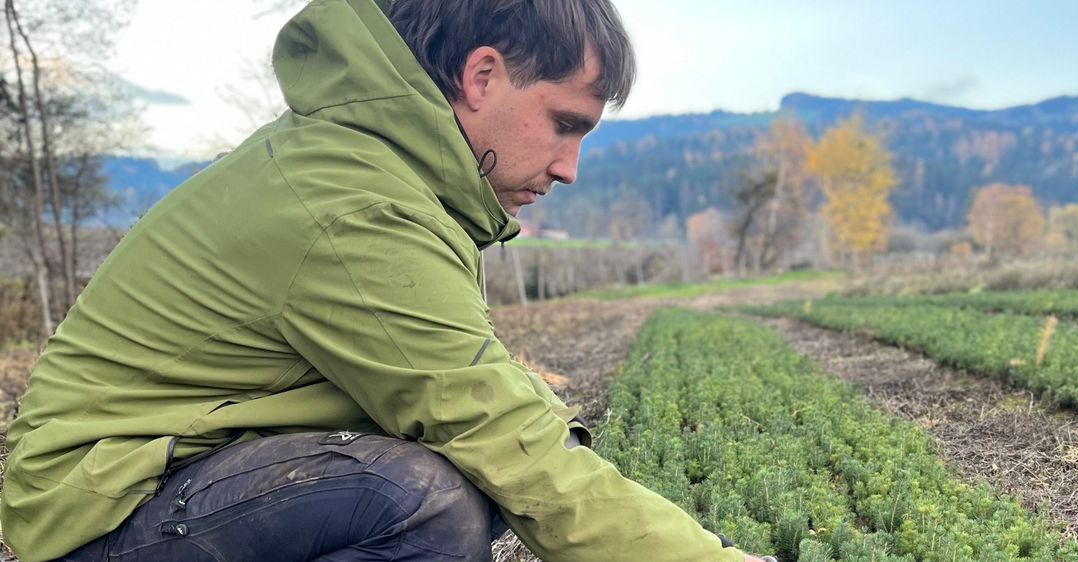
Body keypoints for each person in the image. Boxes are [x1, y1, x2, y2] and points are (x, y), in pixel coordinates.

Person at [0, 0, 773, 561]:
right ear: (482, 76)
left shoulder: (377, 175)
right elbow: (501, 435)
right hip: (98, 515)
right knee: (417, 501)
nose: (569, 167)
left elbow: (481, 396)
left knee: (467, 482)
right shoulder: (355, 206)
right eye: (565, 123)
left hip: (159, 481)